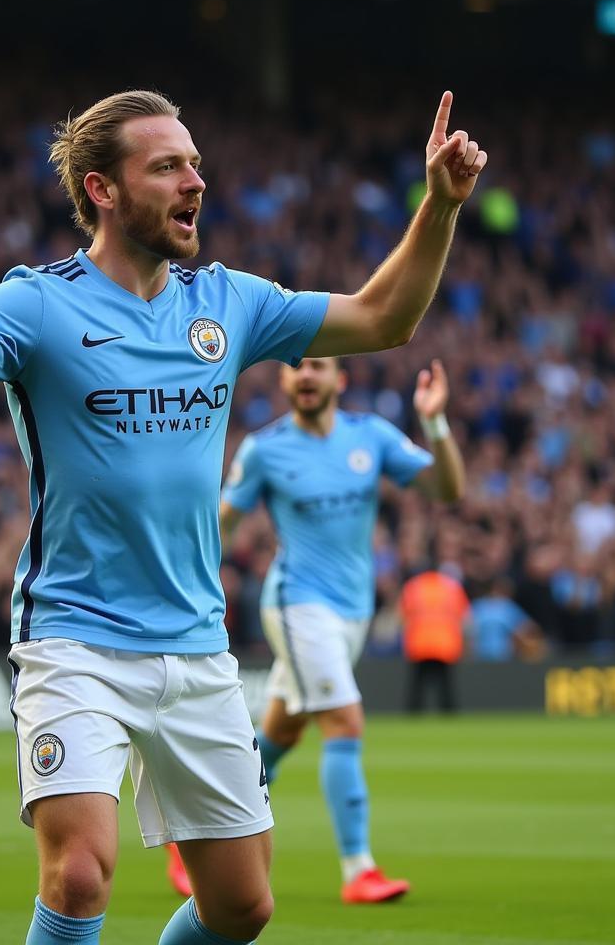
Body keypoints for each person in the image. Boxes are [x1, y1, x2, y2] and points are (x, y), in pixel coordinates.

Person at [0, 88, 486, 945]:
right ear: (103, 190)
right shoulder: (34, 304)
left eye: (195, 162)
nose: (195, 180)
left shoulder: (227, 302)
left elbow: (384, 318)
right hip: (73, 634)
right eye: (167, 166)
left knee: (242, 907)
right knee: (80, 874)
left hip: (197, 645)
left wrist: (441, 206)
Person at [201, 355, 464, 905]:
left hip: (352, 612)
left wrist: (435, 423)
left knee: (282, 732)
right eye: (295, 368)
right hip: (297, 605)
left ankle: (199, 834)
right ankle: (358, 869)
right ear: (284, 381)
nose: (305, 376)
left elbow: (445, 490)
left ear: (340, 380)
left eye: (317, 366)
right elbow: (219, 524)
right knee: (344, 720)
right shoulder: (265, 450)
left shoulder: (371, 437)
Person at [399, 566, 470, 713]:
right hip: (445, 642)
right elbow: (465, 617)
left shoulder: (413, 586)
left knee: (418, 684)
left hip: (420, 642)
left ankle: (414, 715)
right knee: (445, 684)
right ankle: (449, 715)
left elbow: (403, 616)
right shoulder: (452, 586)